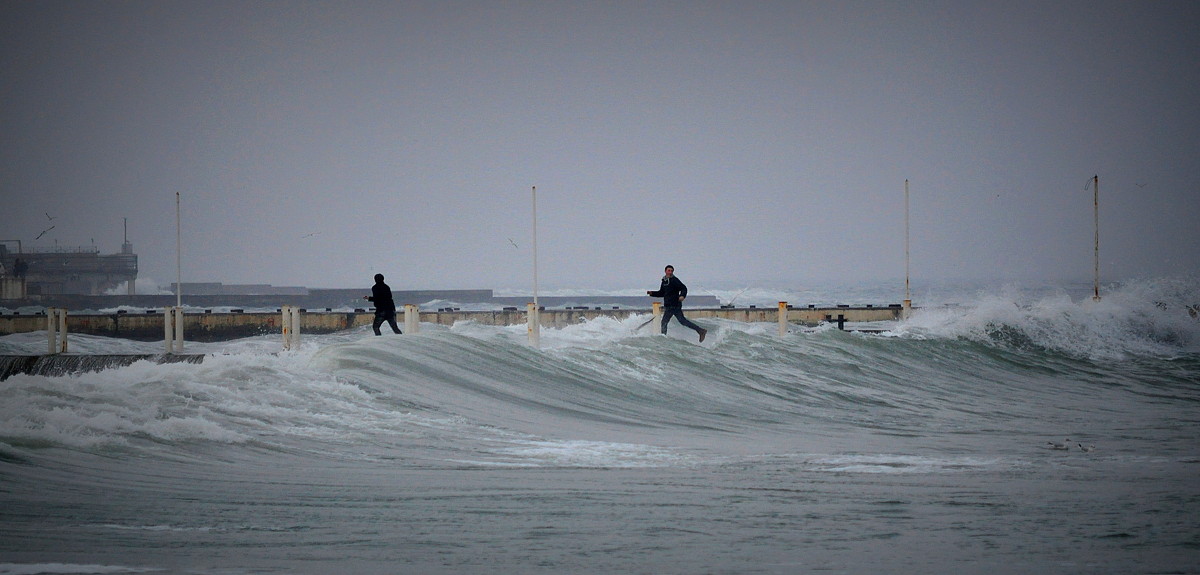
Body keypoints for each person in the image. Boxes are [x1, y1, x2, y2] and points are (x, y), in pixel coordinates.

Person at [647, 264, 707, 342]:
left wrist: (682, 296)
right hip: (669, 305)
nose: (670, 272)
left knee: (664, 322)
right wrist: (652, 293)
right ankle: (700, 330)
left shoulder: (674, 280)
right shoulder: (664, 281)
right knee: (682, 321)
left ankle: (663, 339)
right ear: (665, 271)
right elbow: (662, 293)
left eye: (671, 271)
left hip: (674, 305)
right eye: (669, 270)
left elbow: (683, 288)